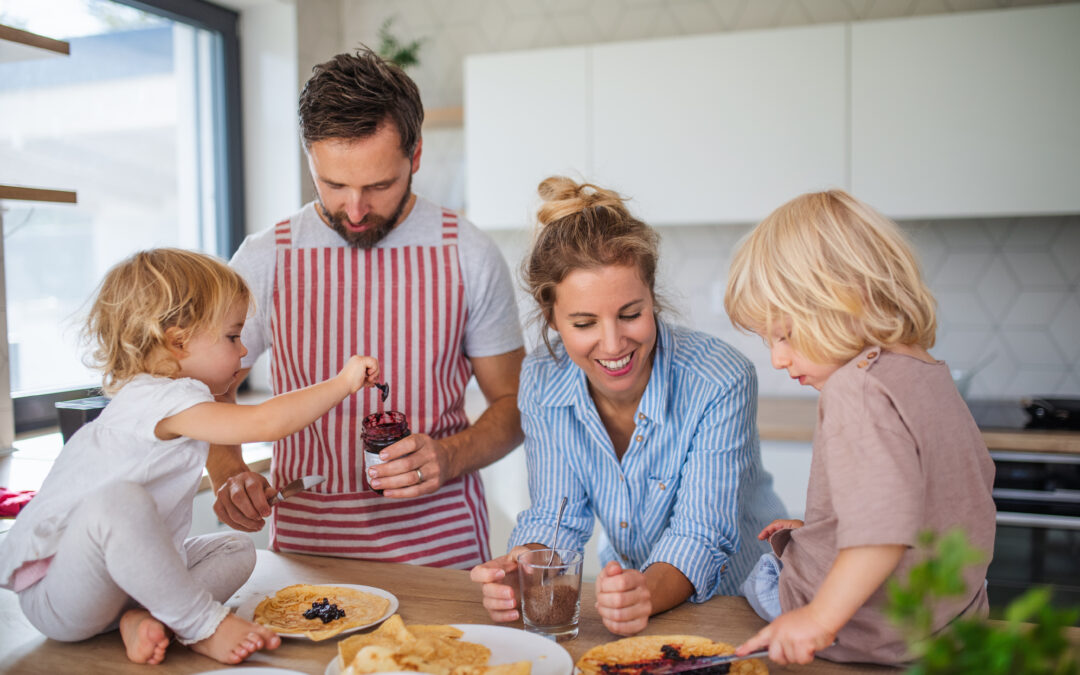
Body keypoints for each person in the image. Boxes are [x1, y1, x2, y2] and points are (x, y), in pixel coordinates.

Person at [208, 48, 524, 568]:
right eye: (333, 184)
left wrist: (448, 456)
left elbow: (513, 406)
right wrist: (228, 470)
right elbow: (213, 387)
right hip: (306, 556)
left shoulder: (468, 253)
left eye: (379, 186)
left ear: (415, 156)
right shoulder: (266, 258)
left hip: (443, 554)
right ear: (310, 156)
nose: (355, 210)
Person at [0, 249, 382, 665]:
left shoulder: (174, 398)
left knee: (236, 548)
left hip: (119, 587)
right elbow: (263, 422)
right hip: (61, 598)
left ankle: (147, 618)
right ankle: (202, 624)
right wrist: (343, 382)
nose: (243, 351)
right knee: (119, 501)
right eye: (233, 337)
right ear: (177, 341)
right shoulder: (159, 397)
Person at [470, 177, 787, 636]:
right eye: (583, 323)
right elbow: (556, 517)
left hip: (742, 606)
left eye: (631, 314)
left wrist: (644, 594)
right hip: (633, 604)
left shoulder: (721, 379)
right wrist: (524, 572)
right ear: (551, 317)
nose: (614, 343)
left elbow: (701, 535)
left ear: (652, 298)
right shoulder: (542, 376)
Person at [724, 190, 997, 666]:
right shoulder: (932, 376)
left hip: (864, 634)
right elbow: (931, 505)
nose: (778, 358)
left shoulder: (856, 387)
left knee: (753, 573)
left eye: (785, 334)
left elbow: (882, 531)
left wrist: (818, 620)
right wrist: (824, 531)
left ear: (850, 297)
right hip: (948, 628)